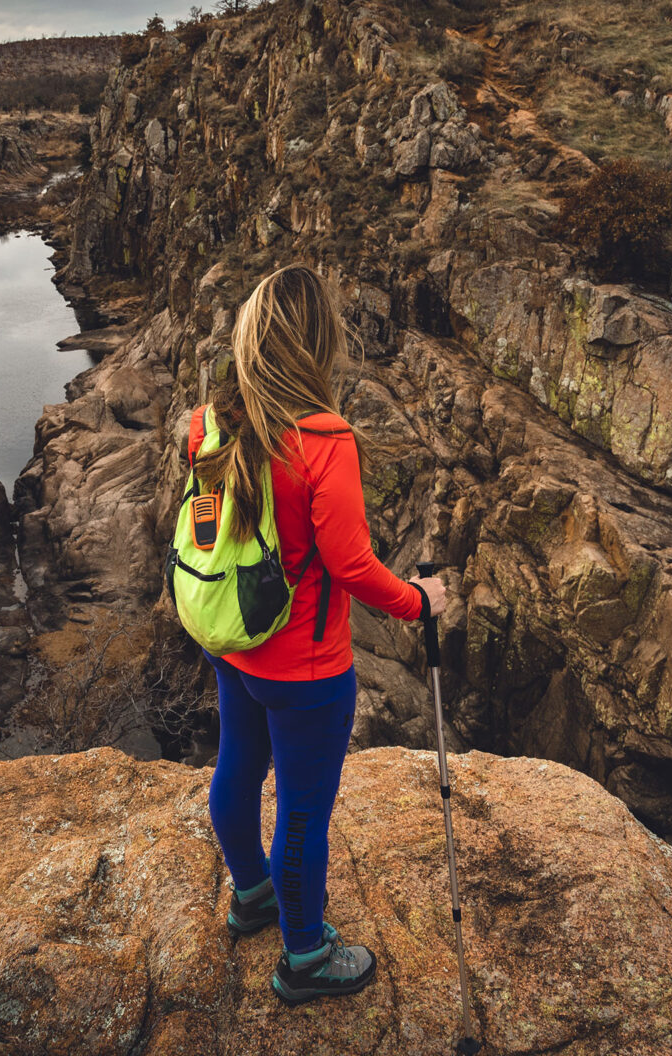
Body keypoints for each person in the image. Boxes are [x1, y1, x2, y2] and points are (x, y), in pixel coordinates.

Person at [185, 265, 448, 1004]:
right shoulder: (322, 441)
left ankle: (253, 898)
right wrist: (419, 602)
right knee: (303, 808)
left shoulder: (217, 423)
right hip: (302, 667)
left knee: (237, 764)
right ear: (315, 346)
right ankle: (304, 956)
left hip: (232, 641)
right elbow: (352, 565)